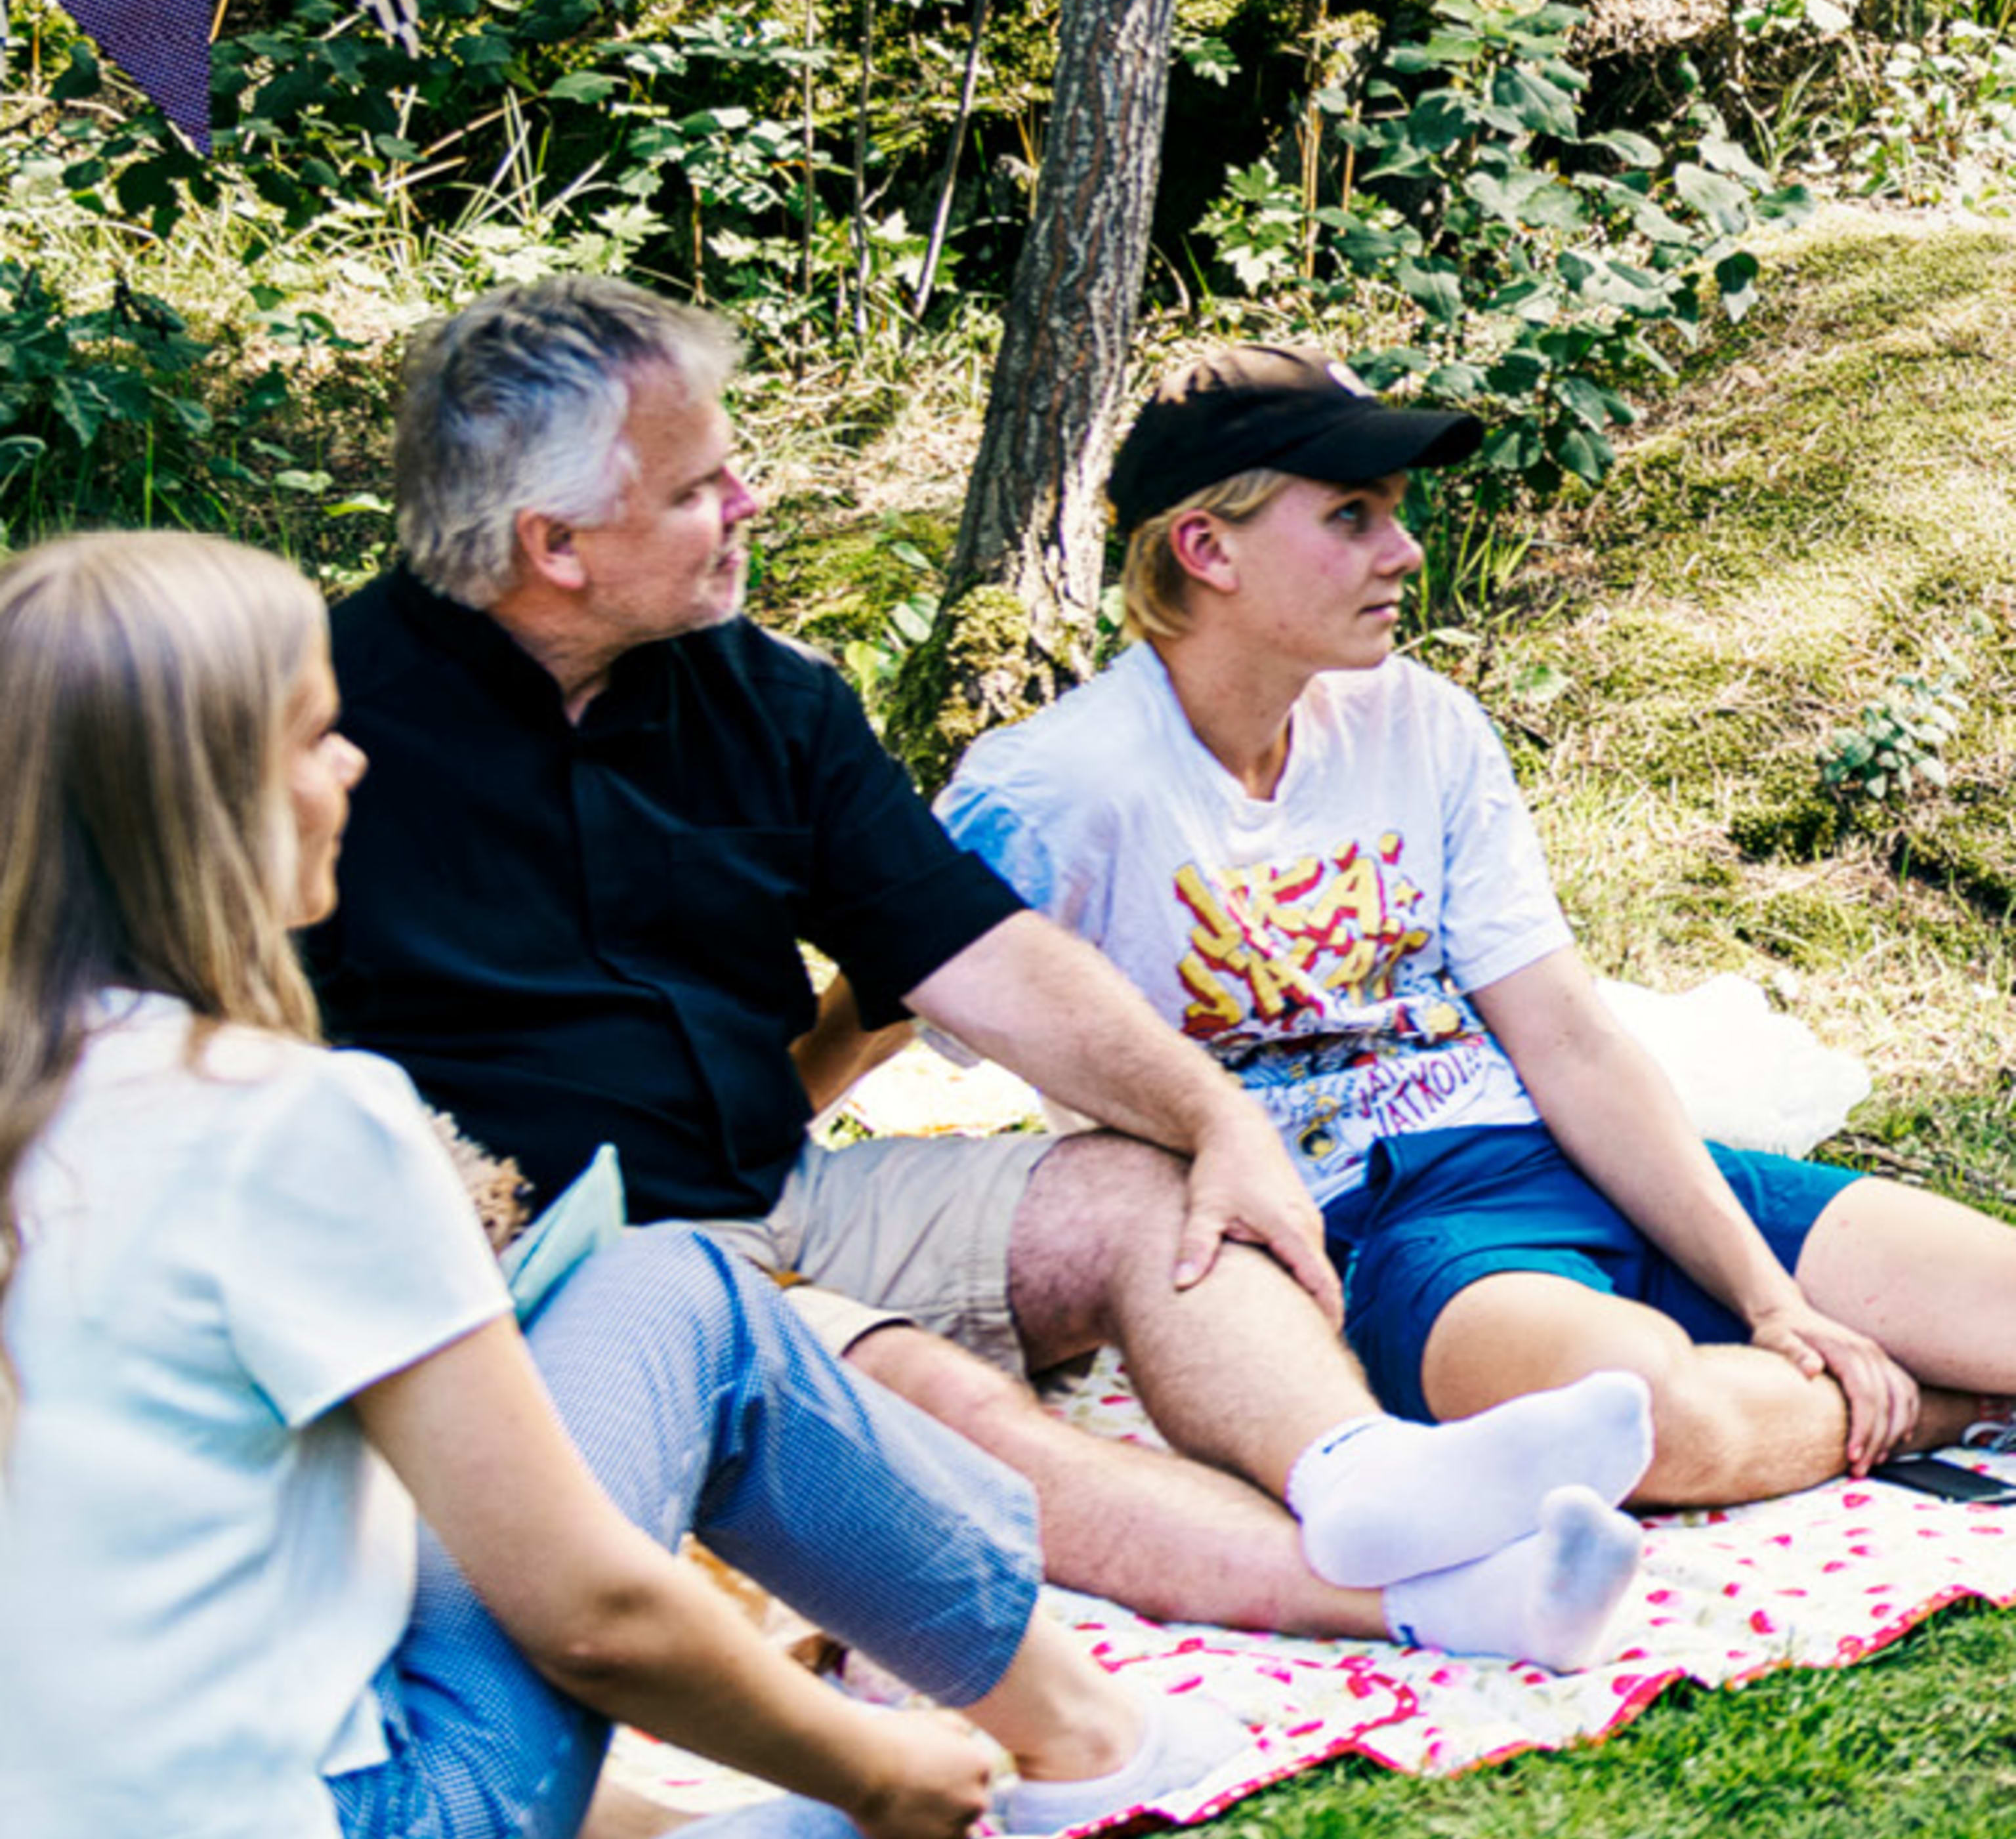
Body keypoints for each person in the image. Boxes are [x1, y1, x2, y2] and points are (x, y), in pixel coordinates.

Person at [0, 529, 1250, 1839]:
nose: (352, 770)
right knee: (679, 1293)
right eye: (314, 736)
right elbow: (590, 1615)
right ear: (207, 805)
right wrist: (868, 1772)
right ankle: (1081, 1727)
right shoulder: (289, 1115)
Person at [305, 276, 1649, 1670]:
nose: (752, 503)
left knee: (1149, 1185)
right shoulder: (309, 725)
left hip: (788, 1189)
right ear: (556, 543)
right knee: (952, 1406)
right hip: (567, 1274)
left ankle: (1362, 1472)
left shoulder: (769, 698)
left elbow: (985, 956)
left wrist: (1217, 1120)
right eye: (704, 487)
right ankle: (1429, 1602)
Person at [934, 342, 2016, 1510]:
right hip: (1380, 1232)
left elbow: (1565, 1037)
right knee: (1642, 1424)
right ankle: (1945, 1409)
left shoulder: (1422, 724)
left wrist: (1772, 1301)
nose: (1403, 552)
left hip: (1559, 1156)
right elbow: (904, 998)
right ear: (1207, 549)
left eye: (1395, 515)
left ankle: (1829, 1391)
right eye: (1352, 517)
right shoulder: (1049, 793)